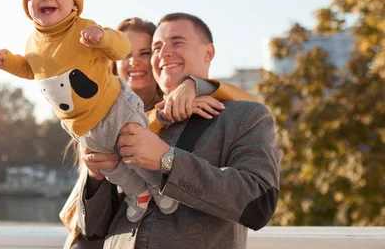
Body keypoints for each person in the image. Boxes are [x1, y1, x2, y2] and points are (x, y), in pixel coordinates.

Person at [0, 0, 183, 223]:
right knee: (109, 164)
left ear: (75, 4)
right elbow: (29, 69)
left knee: (136, 150)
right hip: (81, 124)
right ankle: (138, 192)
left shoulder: (83, 28)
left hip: (112, 106)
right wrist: (7, 61)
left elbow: (120, 47)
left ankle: (158, 185)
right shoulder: (32, 42)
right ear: (26, 8)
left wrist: (101, 37)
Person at [76, 13, 282, 249]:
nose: (163, 53)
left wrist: (167, 161)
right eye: (156, 47)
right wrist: (96, 179)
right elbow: (93, 230)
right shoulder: (132, 122)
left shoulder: (246, 116)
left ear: (208, 53)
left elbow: (258, 204)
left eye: (177, 42)